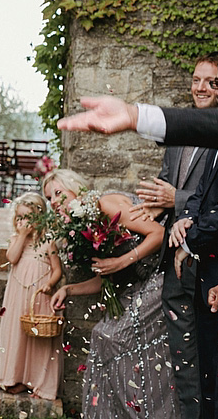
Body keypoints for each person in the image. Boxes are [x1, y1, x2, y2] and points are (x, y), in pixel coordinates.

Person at [45, 169, 179, 419]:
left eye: (58, 192)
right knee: (99, 336)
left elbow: (159, 234)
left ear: (76, 188)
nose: (53, 201)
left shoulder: (105, 203)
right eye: (49, 198)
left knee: (113, 335)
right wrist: (67, 289)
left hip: (164, 273)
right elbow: (103, 277)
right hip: (137, 283)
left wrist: (120, 263)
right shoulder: (83, 226)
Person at [134, 54, 218, 419]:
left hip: (210, 264)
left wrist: (176, 199)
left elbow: (213, 198)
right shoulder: (181, 134)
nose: (202, 87)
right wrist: (149, 208)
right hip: (175, 260)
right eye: (197, 79)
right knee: (182, 359)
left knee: (210, 360)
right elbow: (166, 186)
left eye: (211, 81)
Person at [0, 192, 62, 400]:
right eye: (20, 217)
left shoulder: (48, 242)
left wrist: (50, 285)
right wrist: (23, 236)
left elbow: (58, 270)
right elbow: (12, 258)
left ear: (40, 218)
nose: (24, 222)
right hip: (17, 295)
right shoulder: (16, 240)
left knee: (38, 339)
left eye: (29, 218)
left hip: (40, 295)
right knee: (17, 334)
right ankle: (14, 377)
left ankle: (36, 380)